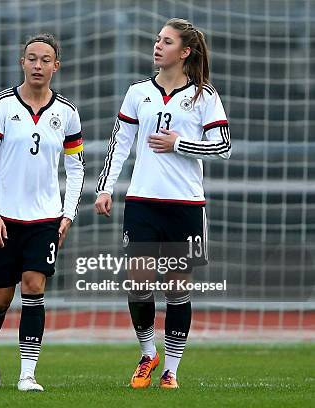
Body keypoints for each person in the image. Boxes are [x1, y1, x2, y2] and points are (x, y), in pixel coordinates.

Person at [95, 18, 231, 389]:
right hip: (142, 202)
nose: (157, 45)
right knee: (137, 281)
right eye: (157, 39)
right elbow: (119, 144)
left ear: (184, 52)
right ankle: (147, 352)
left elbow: (222, 147)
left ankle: (171, 369)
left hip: (186, 206)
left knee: (176, 287)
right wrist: (104, 188)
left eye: (166, 41)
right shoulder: (138, 91)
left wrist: (179, 144)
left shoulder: (205, 96)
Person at [0, 33, 85, 391]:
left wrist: (67, 213)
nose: (38, 65)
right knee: (0, 298)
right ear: (22, 62)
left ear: (56, 65)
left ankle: (27, 374)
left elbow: (77, 167)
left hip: (45, 219)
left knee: (34, 286)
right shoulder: (2, 105)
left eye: (45, 59)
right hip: (3, 219)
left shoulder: (67, 112)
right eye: (32, 58)